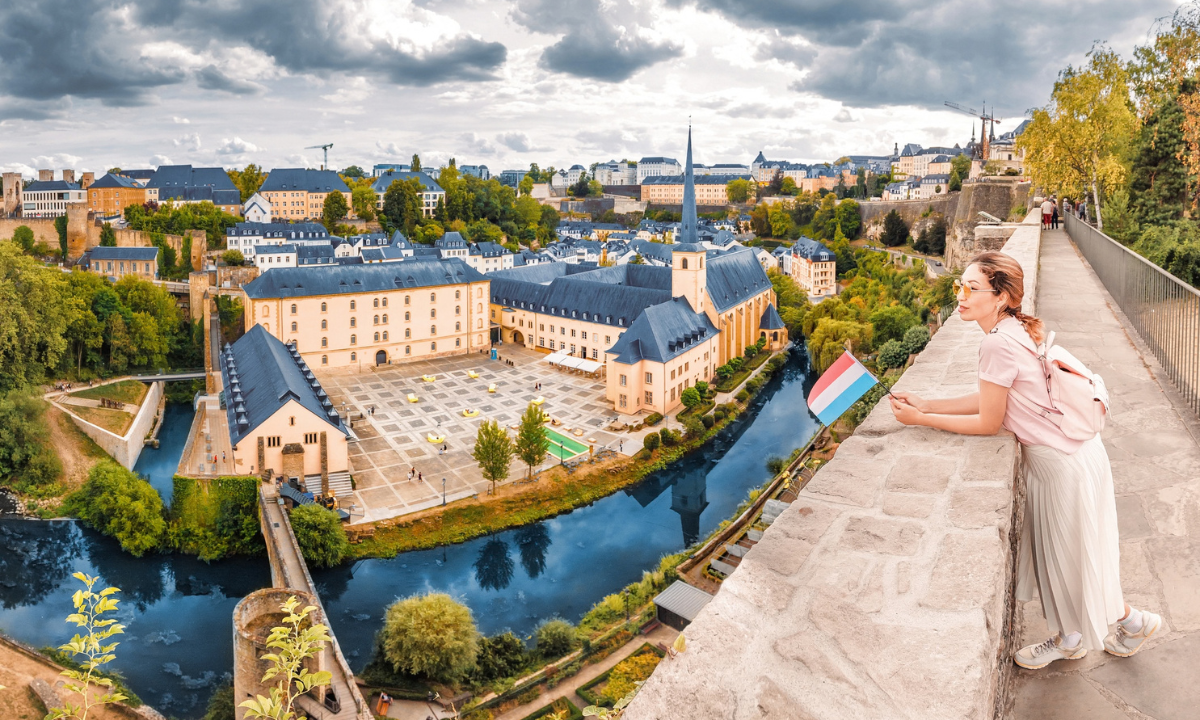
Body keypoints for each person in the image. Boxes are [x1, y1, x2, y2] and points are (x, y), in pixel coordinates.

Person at [887, 251, 1162, 670]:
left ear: (1000, 297)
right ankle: (1087, 634)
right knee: (1078, 556)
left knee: (1071, 560)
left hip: (1061, 466)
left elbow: (989, 421)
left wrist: (921, 418)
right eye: (959, 285)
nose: (959, 294)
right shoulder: (1016, 328)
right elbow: (998, 397)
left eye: (971, 288)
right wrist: (928, 401)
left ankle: (1122, 625)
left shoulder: (996, 343)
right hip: (1079, 454)